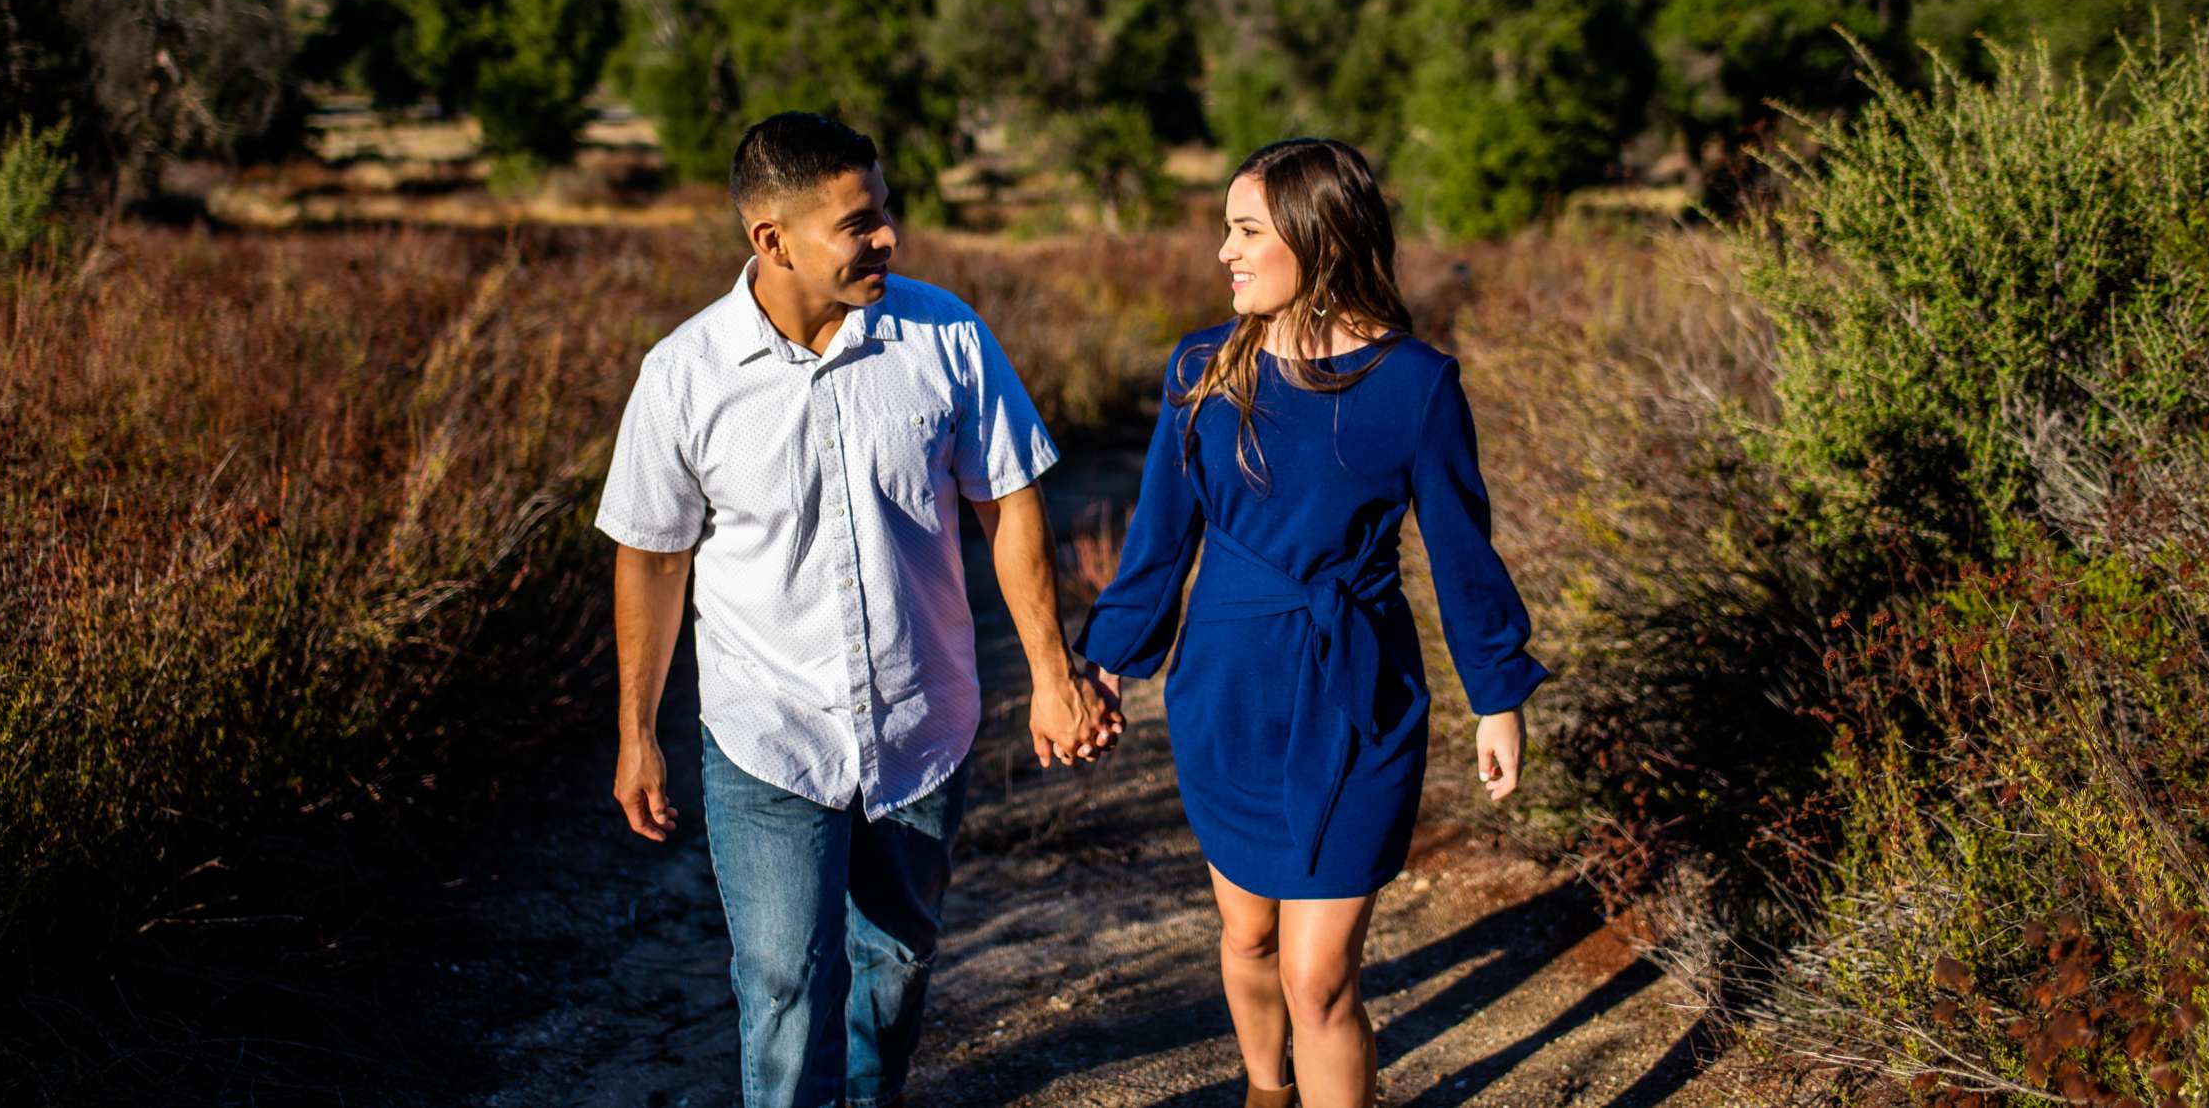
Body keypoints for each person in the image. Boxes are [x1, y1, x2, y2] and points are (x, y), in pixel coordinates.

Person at [598, 110, 1124, 1108]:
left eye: (884, 211)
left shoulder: (946, 335)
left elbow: (1008, 501)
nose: (888, 237)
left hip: (922, 719)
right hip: (769, 731)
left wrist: (1052, 677)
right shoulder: (685, 374)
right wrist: (636, 733)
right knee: (789, 985)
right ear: (773, 240)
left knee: (895, 964)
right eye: (859, 222)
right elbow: (652, 560)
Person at [1074, 137, 1550, 1108]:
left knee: (1317, 976)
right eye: (1227, 230)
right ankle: (1265, 1090)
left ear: (1316, 238)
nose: (1225, 253)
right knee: (1248, 938)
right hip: (1227, 694)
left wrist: (1498, 694)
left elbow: (1464, 555)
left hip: (1355, 699)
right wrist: (1108, 661)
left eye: (1246, 230)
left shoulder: (1417, 386)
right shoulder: (1204, 369)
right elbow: (1161, 538)